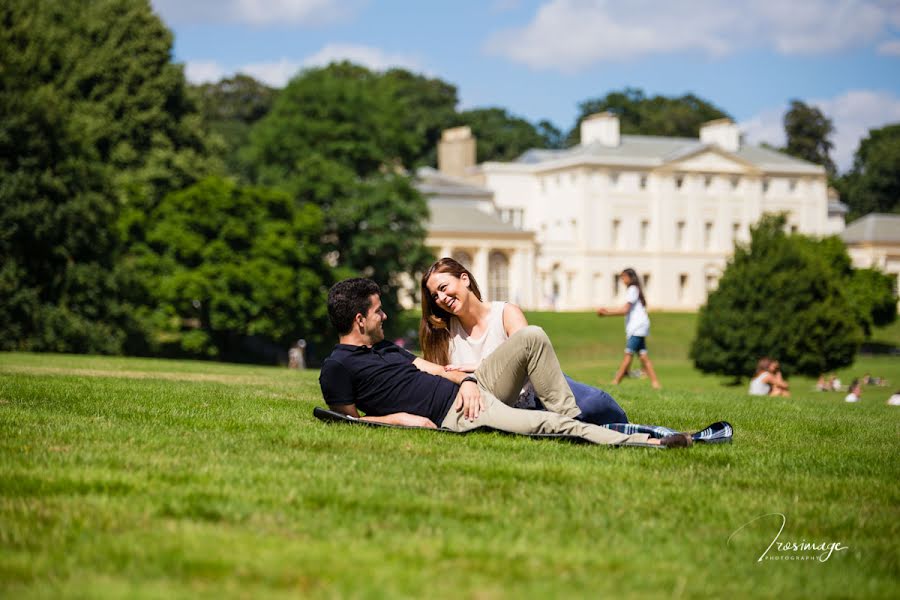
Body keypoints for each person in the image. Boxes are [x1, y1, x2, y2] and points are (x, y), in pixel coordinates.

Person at [318, 278, 694, 448]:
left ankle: (571, 416)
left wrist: (465, 382)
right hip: (457, 416)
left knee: (531, 336)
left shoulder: (386, 350)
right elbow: (347, 419)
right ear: (359, 320)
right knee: (545, 425)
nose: (384, 317)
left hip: (471, 389)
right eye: (378, 311)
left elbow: (431, 369)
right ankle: (646, 443)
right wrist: (401, 421)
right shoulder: (338, 367)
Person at [418, 257, 627, 425]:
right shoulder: (442, 333)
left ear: (464, 279)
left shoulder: (506, 313)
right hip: (492, 405)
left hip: (534, 391)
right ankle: (572, 422)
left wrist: (476, 367)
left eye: (444, 288)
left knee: (598, 405)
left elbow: (531, 357)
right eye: (435, 296)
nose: (441, 298)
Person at [596, 268, 661, 389]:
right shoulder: (635, 290)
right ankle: (655, 383)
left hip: (637, 327)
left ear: (631, 278)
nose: (622, 280)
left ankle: (615, 382)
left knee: (628, 355)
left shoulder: (632, 289)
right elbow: (625, 308)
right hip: (641, 326)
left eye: (623, 277)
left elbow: (625, 310)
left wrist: (606, 313)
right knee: (643, 356)